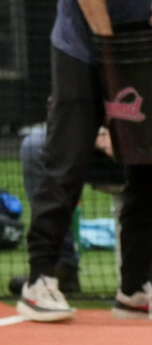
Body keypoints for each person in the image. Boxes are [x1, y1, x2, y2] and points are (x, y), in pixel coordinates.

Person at [17, 0, 152, 323]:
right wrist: (106, 44)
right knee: (68, 159)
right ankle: (40, 278)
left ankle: (134, 289)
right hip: (84, 44)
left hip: (142, 46)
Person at [16, 123, 123, 294]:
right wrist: (98, 130)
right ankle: (60, 266)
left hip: (141, 139)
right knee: (34, 146)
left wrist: (124, 133)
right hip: (91, 140)